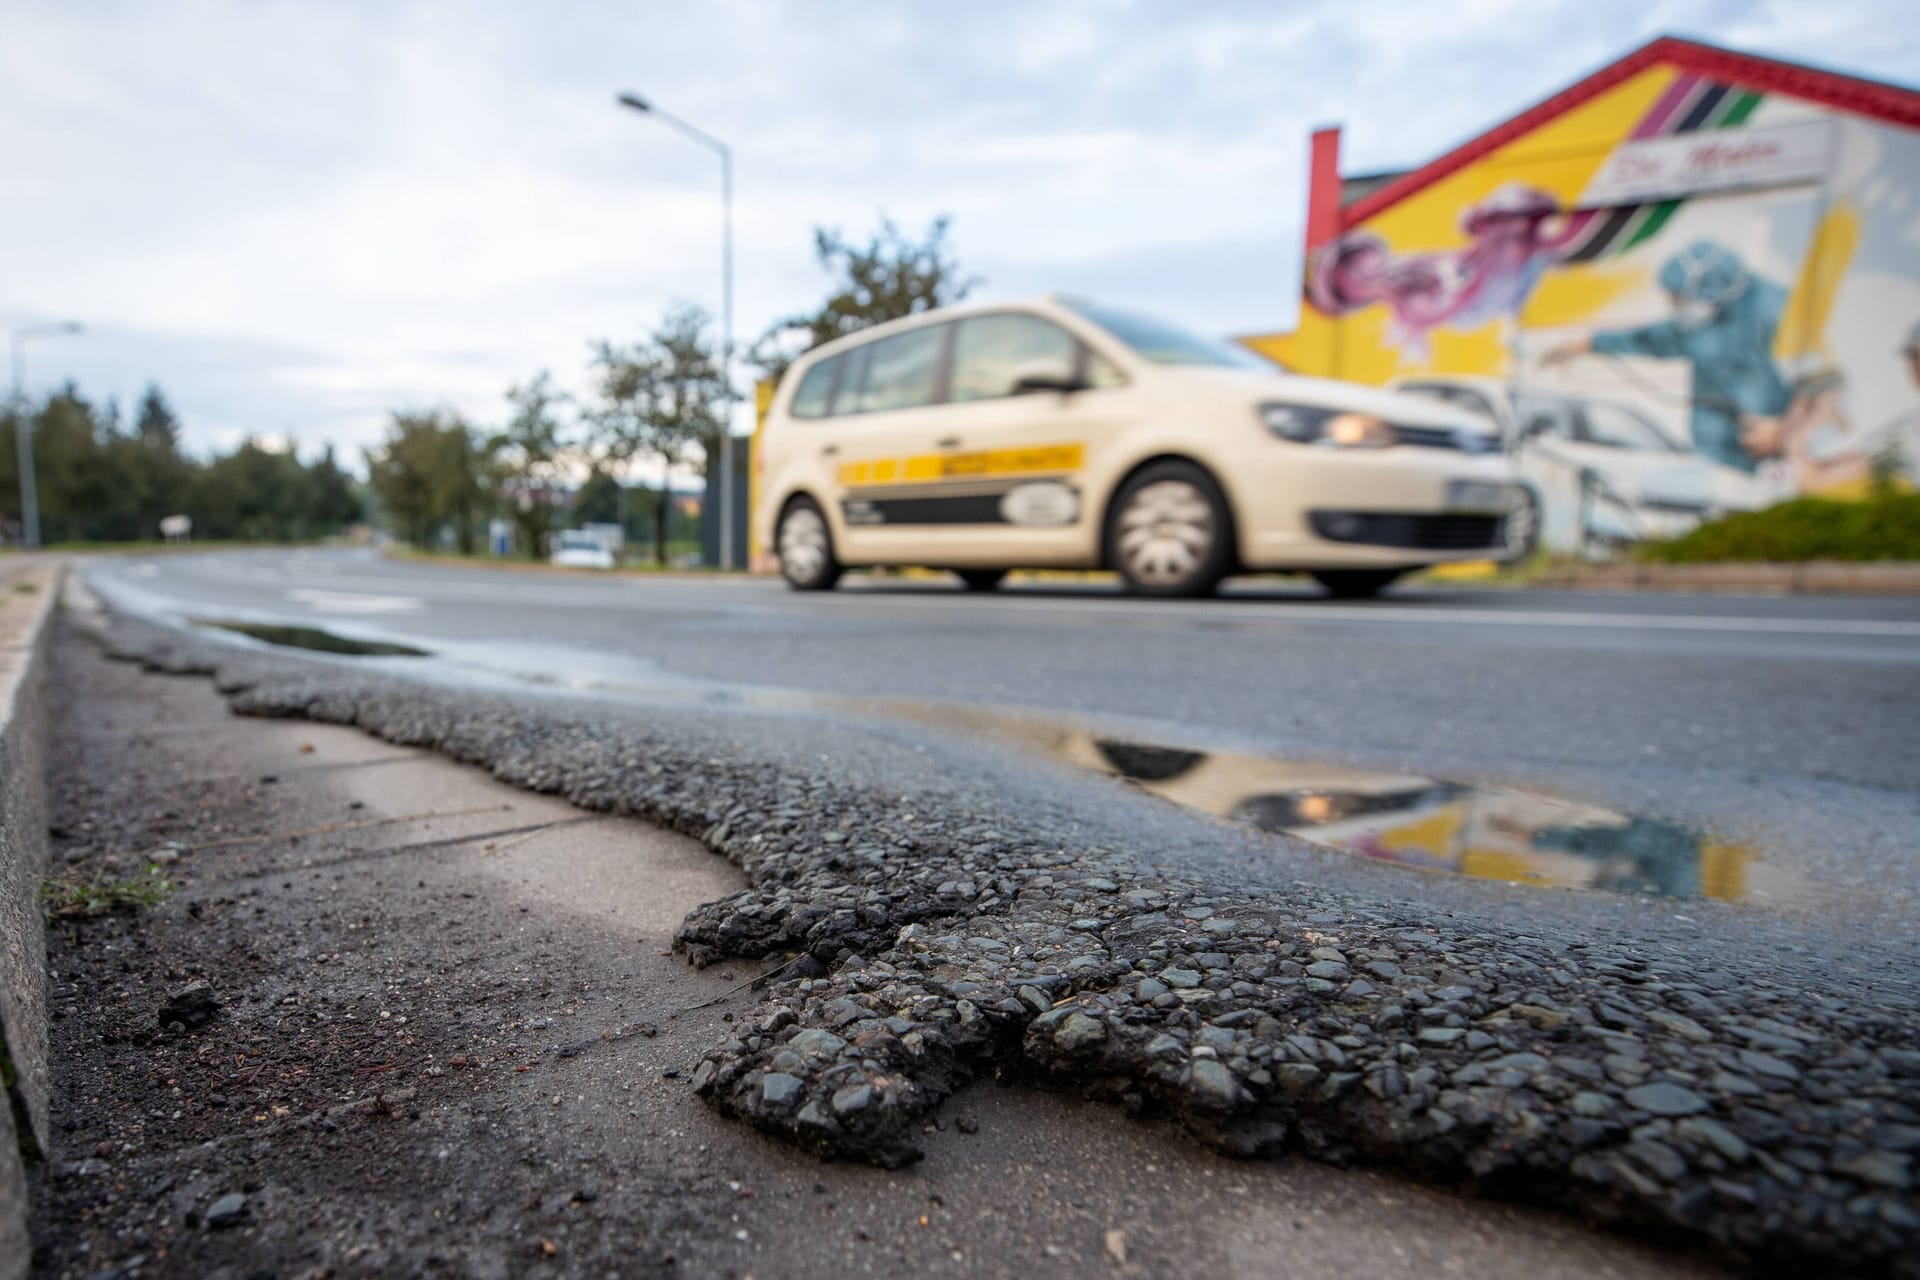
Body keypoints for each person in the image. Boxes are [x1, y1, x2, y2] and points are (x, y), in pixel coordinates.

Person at [1545, 241, 1789, 473]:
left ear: (1710, 288)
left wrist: (1784, 430)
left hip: (1780, 461)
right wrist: (1588, 343)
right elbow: (1654, 339)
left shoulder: (1778, 313)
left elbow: (1820, 386)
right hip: (1719, 461)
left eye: (1679, 299)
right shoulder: (1703, 322)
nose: (1675, 307)